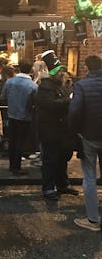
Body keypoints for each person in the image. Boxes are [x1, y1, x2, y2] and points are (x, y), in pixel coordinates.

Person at [36, 50, 79, 201]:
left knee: (61, 159)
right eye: (60, 72)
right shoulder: (45, 87)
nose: (63, 74)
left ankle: (62, 184)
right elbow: (51, 105)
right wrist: (70, 100)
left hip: (61, 130)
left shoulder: (59, 85)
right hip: (50, 131)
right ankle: (48, 188)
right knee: (50, 160)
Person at [69, 55, 102, 231]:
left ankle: (93, 220)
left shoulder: (82, 85)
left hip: (88, 136)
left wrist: (75, 132)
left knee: (89, 177)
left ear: (87, 67)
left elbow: (74, 111)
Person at [0, 60, 38, 175]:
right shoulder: (33, 86)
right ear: (31, 70)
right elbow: (35, 103)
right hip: (25, 117)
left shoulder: (10, 82)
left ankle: (12, 165)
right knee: (20, 142)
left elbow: (3, 97)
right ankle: (17, 167)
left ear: (19, 68)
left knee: (12, 140)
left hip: (11, 114)